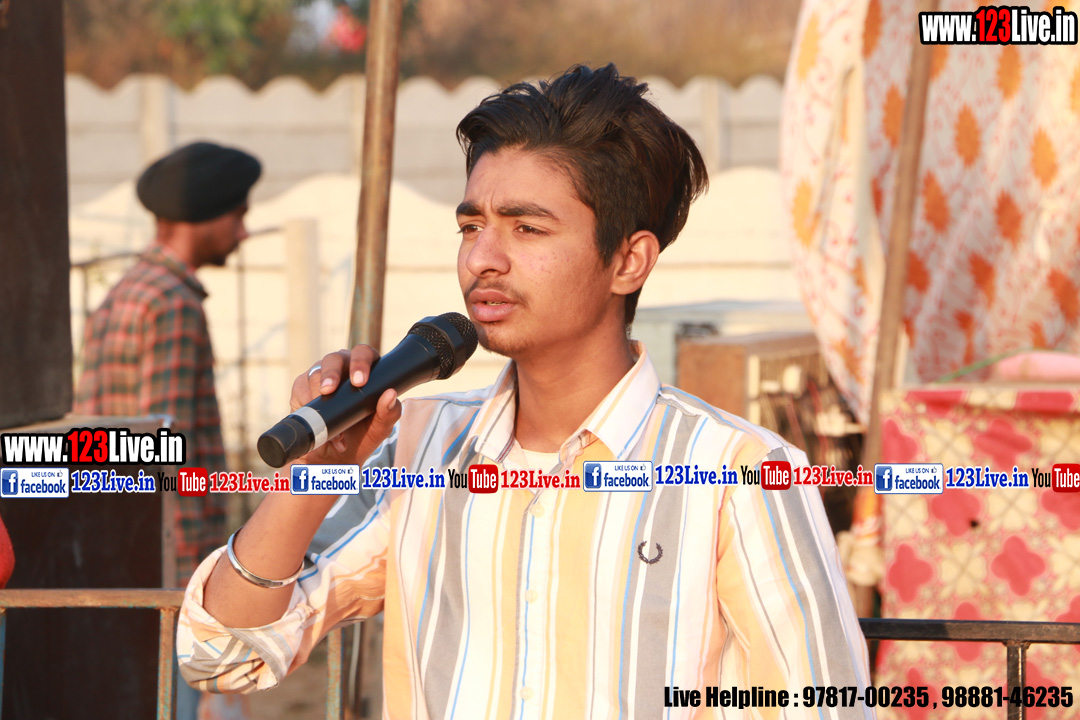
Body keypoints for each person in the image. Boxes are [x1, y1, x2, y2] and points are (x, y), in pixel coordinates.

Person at [178, 65, 873, 718]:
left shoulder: (738, 473)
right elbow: (221, 658)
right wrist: (313, 476)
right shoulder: (419, 451)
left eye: (527, 228)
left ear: (628, 260)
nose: (482, 258)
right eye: (471, 226)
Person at [75, 141, 259, 719]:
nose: (243, 232)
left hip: (115, 550)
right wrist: (193, 593)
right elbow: (163, 460)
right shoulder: (173, 303)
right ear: (204, 215)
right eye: (237, 215)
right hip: (165, 568)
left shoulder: (128, 292)